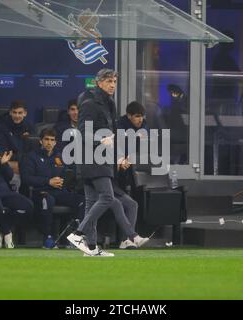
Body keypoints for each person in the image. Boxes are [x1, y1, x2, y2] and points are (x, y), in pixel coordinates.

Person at [67, 69, 149, 257]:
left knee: (91, 202)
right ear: (98, 82)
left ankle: (91, 248)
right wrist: (99, 141)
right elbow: (83, 131)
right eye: (108, 81)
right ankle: (78, 234)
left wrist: (118, 156)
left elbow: (110, 134)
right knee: (107, 197)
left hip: (99, 158)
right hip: (93, 157)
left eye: (114, 81)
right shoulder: (89, 102)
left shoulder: (107, 102)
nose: (112, 84)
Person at [20, 128, 85, 249]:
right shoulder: (30, 157)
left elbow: (69, 175)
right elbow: (26, 178)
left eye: (52, 140)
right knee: (47, 200)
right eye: (46, 139)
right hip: (39, 192)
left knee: (82, 200)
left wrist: (65, 181)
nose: (49, 143)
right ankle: (48, 238)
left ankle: (73, 237)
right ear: (40, 141)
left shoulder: (60, 157)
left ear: (55, 142)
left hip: (59, 191)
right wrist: (48, 181)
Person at [0, 100, 35, 191]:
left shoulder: (29, 127)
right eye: (14, 113)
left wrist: (22, 163)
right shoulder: (1, 127)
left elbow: (33, 150)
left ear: (25, 113)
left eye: (20, 113)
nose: (17, 116)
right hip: (9, 161)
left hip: (24, 162)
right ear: (10, 113)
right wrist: (14, 162)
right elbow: (1, 149)